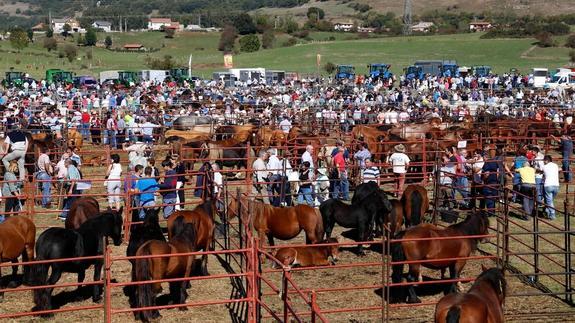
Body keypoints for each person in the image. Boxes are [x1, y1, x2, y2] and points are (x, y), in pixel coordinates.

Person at [542, 155, 560, 220]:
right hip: (556, 185)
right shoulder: (555, 165)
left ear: (546, 160)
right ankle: (547, 211)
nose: (543, 162)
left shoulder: (544, 167)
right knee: (551, 200)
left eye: (544, 161)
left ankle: (552, 214)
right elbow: (559, 169)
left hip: (548, 185)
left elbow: (540, 171)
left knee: (549, 201)